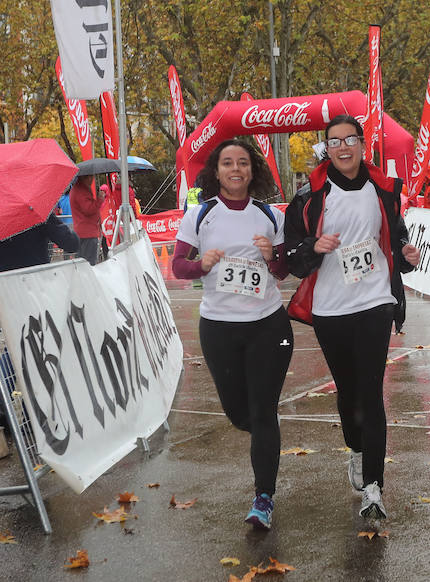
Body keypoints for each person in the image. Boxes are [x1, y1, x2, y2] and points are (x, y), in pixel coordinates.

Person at [284, 115, 420, 520]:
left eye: (351, 140)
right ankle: (357, 450)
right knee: (348, 394)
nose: (343, 148)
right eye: (334, 141)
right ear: (327, 148)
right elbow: (291, 256)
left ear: (363, 144)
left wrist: (408, 256)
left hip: (375, 301)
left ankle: (375, 488)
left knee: (371, 392)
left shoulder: (384, 189)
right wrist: (314, 245)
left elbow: (395, 239)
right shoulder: (309, 195)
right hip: (330, 307)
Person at [172, 138, 292, 531]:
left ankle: (264, 498)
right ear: (217, 171)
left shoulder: (270, 215)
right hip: (220, 327)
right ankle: (262, 433)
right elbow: (178, 266)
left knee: (263, 412)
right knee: (239, 413)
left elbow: (283, 272)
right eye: (228, 163)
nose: (236, 169)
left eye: (243, 163)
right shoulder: (201, 214)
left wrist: (273, 257)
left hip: (267, 323)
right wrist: (201, 265)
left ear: (252, 170)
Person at [0, 210, 80, 427]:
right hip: (31, 291)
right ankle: (30, 412)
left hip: (2, 291)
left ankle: (2, 403)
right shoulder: (36, 212)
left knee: (12, 348)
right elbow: (71, 243)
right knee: (34, 350)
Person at [69, 174, 106, 266]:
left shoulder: (78, 190)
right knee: (88, 265)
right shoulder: (81, 191)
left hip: (84, 232)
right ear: (85, 177)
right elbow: (88, 209)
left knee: (83, 264)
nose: (92, 180)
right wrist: (99, 200)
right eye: (91, 177)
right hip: (87, 234)